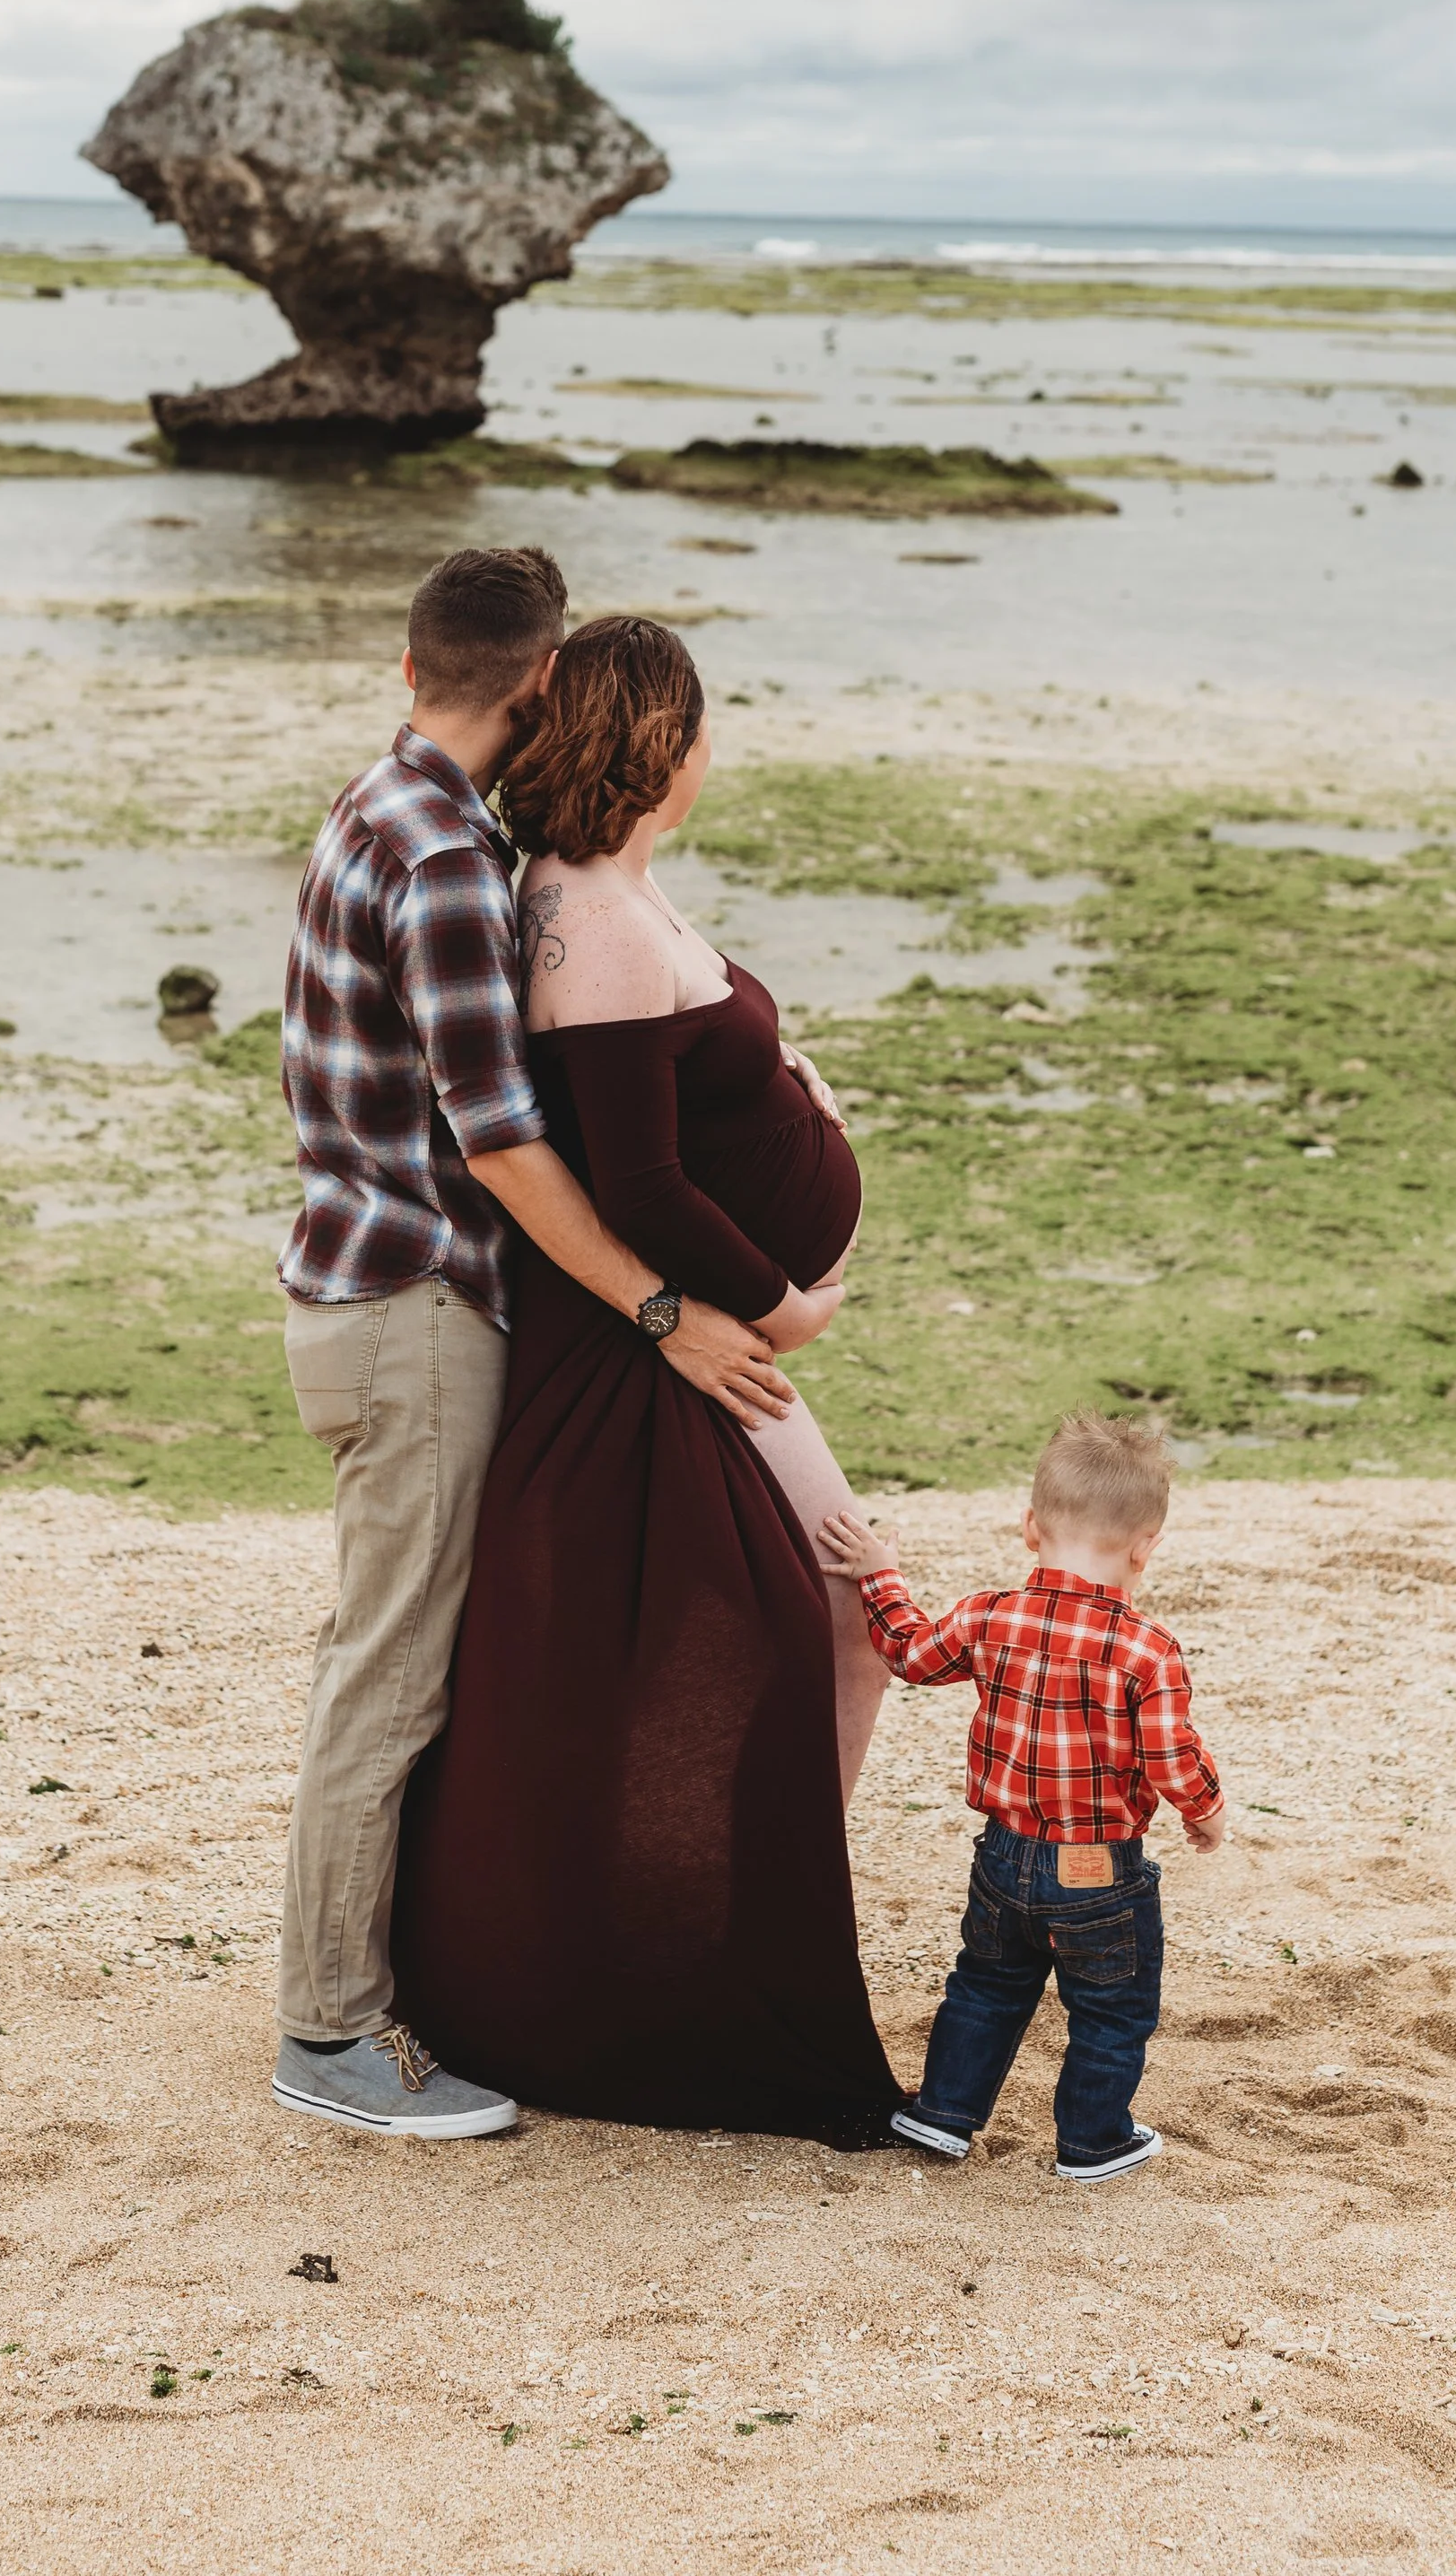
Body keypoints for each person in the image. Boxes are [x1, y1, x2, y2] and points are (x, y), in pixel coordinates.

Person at [273, 548, 795, 2144]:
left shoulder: (386, 805)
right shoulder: (437, 857)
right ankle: (328, 2034)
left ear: (409, 664)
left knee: (389, 1653)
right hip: (416, 1309)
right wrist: (664, 1312)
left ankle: (395, 1975)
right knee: (392, 1673)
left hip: (366, 1293)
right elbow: (501, 1142)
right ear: (542, 681)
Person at [391, 615, 901, 2144]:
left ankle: (724, 1926)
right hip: (669, 1354)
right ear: (659, 745)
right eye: (696, 726)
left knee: (831, 1615)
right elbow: (642, 1177)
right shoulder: (584, 919)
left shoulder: (605, 887)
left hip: (691, 1347)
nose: (706, 750)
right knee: (838, 1609)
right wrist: (775, 1302)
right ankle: (716, 1950)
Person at [818, 1411, 1226, 2181]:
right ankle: (1094, 2141)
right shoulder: (1148, 1648)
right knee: (1112, 2009)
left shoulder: (988, 1615)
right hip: (1099, 1871)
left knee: (986, 1983)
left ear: (1030, 1527)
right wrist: (1205, 1811)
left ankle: (944, 2113)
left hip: (1002, 1857)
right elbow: (1172, 1756)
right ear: (1147, 1548)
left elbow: (907, 1651)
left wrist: (879, 1573)